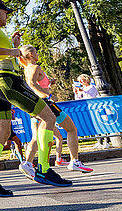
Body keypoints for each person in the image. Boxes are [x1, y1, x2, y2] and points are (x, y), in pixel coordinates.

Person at [0, 0, 71, 197]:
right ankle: (43, 169)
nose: (7, 16)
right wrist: (13, 50)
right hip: (6, 81)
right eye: (5, 12)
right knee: (49, 117)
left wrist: (12, 45)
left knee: (1, 132)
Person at [17, 46, 93, 174]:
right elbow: (31, 83)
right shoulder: (36, 67)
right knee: (71, 129)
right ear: (30, 54)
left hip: (37, 105)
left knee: (36, 136)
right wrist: (49, 95)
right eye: (35, 52)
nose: (37, 54)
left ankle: (27, 163)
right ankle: (74, 161)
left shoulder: (27, 68)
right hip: (47, 104)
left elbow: (35, 83)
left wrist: (48, 84)